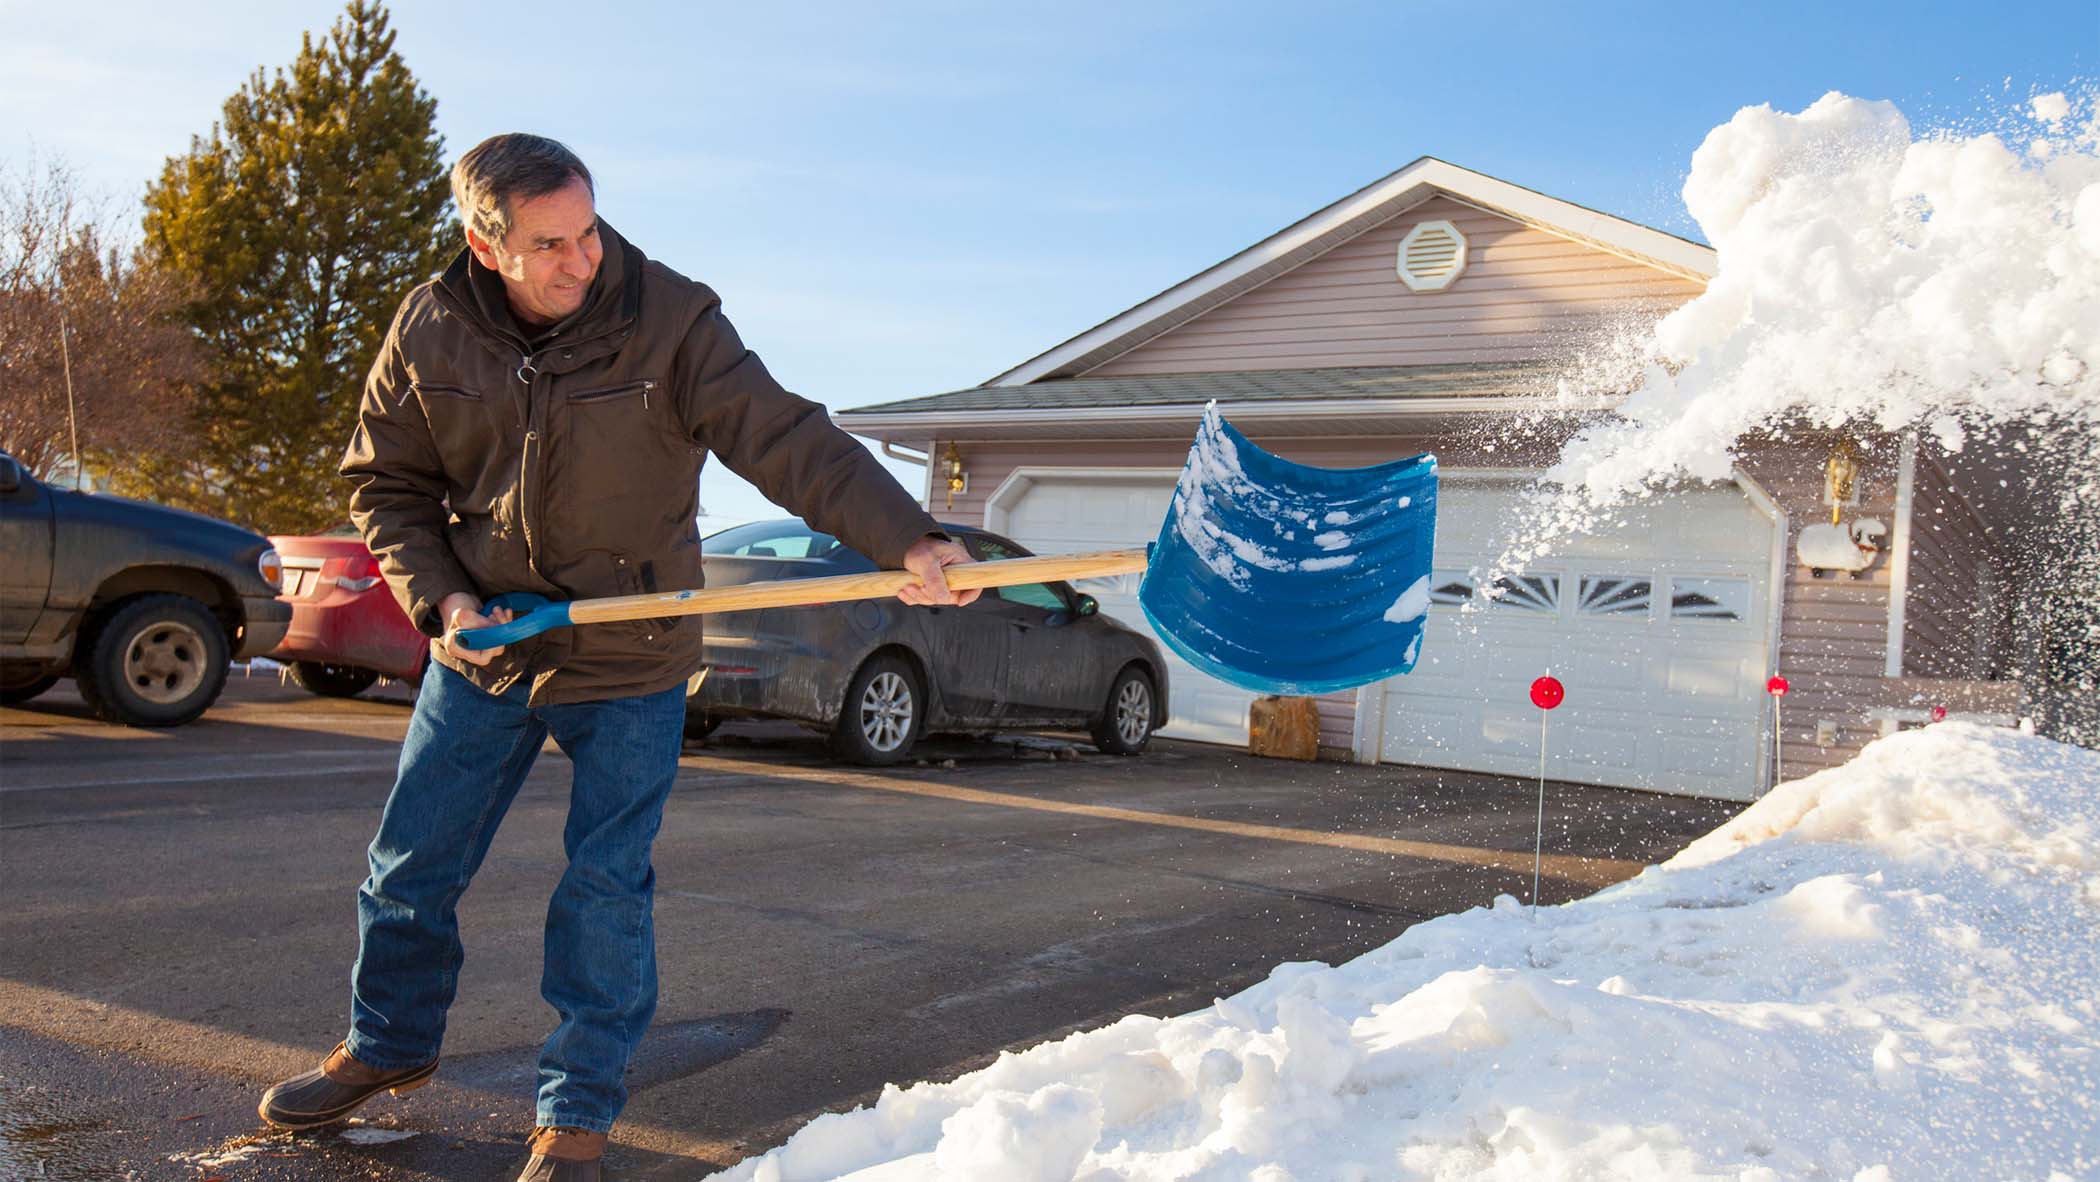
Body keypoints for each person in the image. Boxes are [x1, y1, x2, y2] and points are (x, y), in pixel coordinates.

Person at [258, 133, 977, 1182]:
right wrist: (443, 597)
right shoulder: (432, 326)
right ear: (485, 243)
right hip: (491, 645)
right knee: (409, 867)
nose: (583, 259)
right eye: (551, 243)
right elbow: (387, 486)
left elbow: (786, 437)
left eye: (589, 231)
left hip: (631, 648)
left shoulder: (671, 318)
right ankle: (388, 1046)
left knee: (603, 889)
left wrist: (905, 537)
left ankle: (578, 1114)